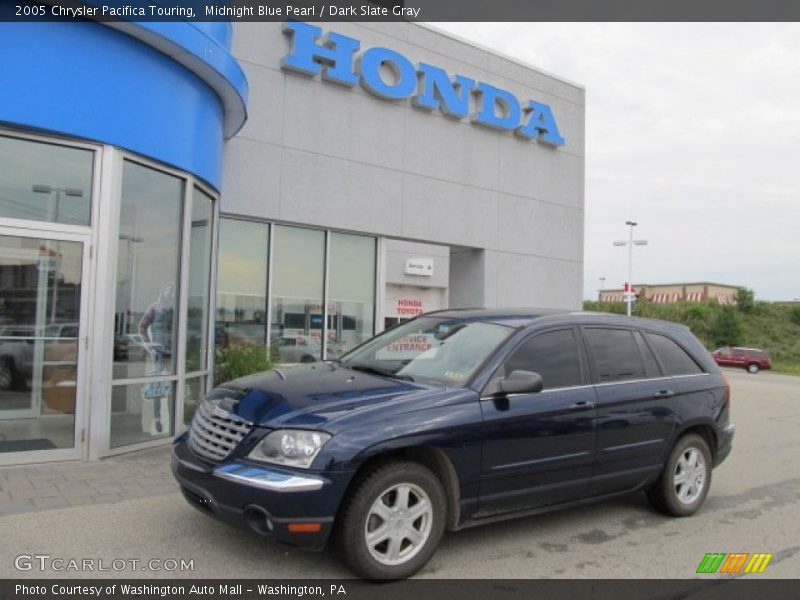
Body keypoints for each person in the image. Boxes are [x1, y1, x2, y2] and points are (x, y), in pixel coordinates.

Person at [138, 282, 175, 433]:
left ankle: (173, 418)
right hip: (158, 351)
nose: (169, 292)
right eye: (167, 289)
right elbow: (142, 327)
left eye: (171, 291)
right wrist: (149, 346)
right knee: (157, 386)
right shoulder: (154, 307)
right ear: (162, 291)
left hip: (172, 351)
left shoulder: (174, 309)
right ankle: (158, 418)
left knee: (173, 385)